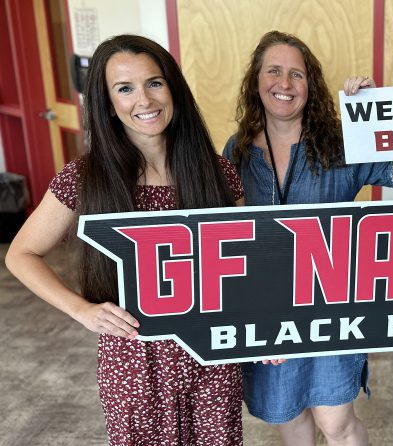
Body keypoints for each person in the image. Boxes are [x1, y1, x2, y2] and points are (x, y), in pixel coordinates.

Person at [5, 35, 245, 445]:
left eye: (155, 83)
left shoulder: (217, 171)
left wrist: (265, 326)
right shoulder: (85, 177)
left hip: (211, 353)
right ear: (107, 103)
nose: (145, 100)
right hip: (133, 359)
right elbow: (21, 254)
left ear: (174, 88)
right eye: (125, 88)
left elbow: (250, 258)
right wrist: (81, 310)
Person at [223, 30, 393, 446]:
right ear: (255, 81)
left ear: (309, 86)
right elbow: (225, 231)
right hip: (267, 310)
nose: (284, 83)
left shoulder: (340, 144)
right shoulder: (236, 150)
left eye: (297, 74)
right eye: (273, 71)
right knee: (290, 418)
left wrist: (377, 113)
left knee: (336, 425)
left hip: (331, 307)